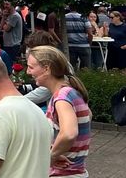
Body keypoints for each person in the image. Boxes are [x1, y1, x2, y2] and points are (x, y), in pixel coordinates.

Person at [27, 46, 92, 178]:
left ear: (47, 69)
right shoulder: (71, 91)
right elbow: (88, 115)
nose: (28, 72)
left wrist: (51, 156)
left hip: (64, 174)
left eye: (31, 67)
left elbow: (69, 134)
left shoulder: (62, 97)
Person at [64, 7, 93, 72]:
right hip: (84, 45)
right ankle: (85, 80)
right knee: (86, 68)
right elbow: (90, 33)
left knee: (71, 68)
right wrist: (89, 43)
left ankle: (72, 81)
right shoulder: (83, 17)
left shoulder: (64, 17)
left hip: (70, 45)